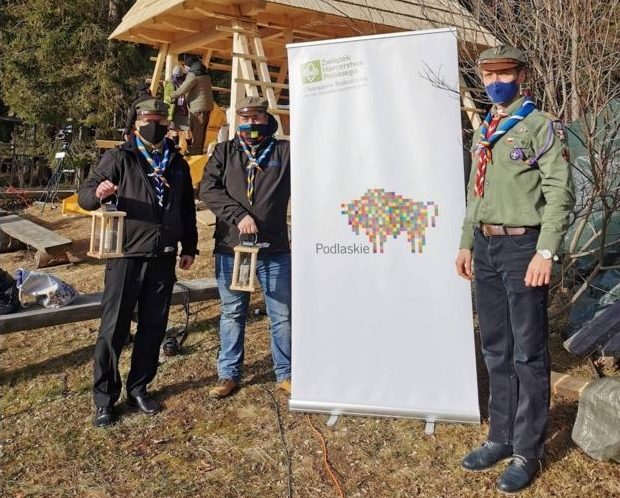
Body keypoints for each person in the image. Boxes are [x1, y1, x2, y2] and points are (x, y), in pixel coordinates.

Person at [455, 45, 575, 494]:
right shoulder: (485, 127)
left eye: (504, 72)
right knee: (495, 348)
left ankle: (528, 448)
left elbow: (561, 192)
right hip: (485, 247)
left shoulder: (539, 126)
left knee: (528, 353)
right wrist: (467, 241)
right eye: (488, 74)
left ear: (522, 74)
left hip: (524, 247)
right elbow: (475, 191)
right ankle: (500, 437)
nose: (496, 81)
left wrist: (546, 251)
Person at [78, 98, 198, 428]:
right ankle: (105, 398)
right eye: (149, 118)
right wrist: (99, 192)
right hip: (125, 255)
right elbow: (85, 196)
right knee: (113, 329)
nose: (155, 123)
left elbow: (186, 208)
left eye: (161, 118)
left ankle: (139, 388)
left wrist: (189, 245)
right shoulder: (119, 157)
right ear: (136, 123)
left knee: (153, 327)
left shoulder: (177, 162)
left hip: (163, 256)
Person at [199, 96, 291, 399]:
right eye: (245, 118)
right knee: (232, 312)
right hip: (232, 248)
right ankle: (228, 373)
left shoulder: (284, 152)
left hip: (274, 247)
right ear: (237, 120)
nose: (251, 123)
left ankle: (286, 372)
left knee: (281, 314)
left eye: (257, 118)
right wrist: (238, 216)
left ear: (267, 119)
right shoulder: (224, 152)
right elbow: (208, 190)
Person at [170, 60, 214, 155]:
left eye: (185, 66)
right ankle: (198, 150)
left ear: (188, 67)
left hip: (198, 107)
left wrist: (170, 95)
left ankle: (195, 153)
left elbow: (182, 90)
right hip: (208, 106)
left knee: (197, 131)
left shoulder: (193, 75)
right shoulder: (206, 74)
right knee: (202, 131)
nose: (185, 69)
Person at [163, 65, 192, 152]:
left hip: (184, 108)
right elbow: (166, 97)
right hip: (173, 110)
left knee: (187, 129)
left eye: (178, 76)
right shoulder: (169, 83)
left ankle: (189, 147)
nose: (177, 77)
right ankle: (176, 147)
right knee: (175, 129)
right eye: (175, 75)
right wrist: (172, 98)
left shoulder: (185, 81)